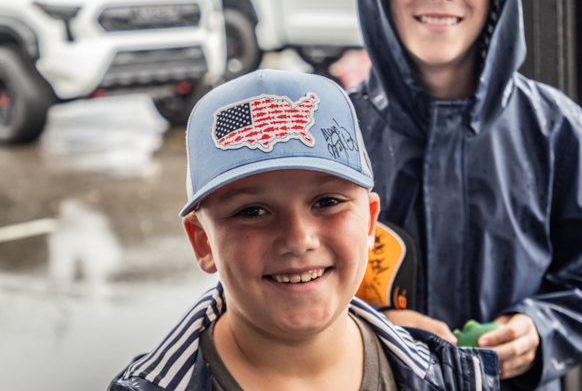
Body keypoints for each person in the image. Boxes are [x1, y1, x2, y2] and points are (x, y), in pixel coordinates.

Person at [349, 0, 582, 390]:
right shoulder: (334, 130)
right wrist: (367, 330)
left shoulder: (555, 125)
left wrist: (540, 328)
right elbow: (288, 283)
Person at [108, 69, 500, 391]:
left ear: (369, 222)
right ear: (203, 242)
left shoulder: (444, 377)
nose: (298, 240)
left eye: (327, 202)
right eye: (252, 211)